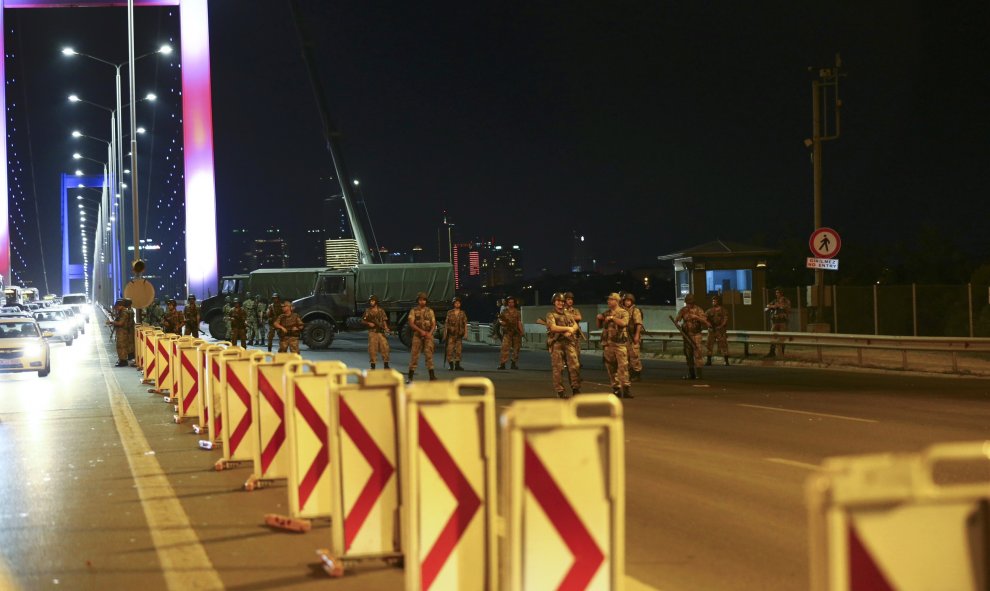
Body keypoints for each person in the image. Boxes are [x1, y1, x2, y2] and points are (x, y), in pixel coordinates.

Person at [547, 292, 581, 398]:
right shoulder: (551, 314)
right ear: (554, 302)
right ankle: (560, 391)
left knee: (574, 366)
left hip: (569, 343)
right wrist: (566, 329)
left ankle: (576, 389)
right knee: (558, 368)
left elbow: (575, 325)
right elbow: (553, 327)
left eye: (562, 301)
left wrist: (571, 331)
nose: (560, 303)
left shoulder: (567, 313)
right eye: (558, 301)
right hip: (557, 343)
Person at [598, 293, 632, 398]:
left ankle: (625, 388)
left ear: (616, 301)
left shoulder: (623, 312)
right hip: (608, 344)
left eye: (610, 300)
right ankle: (615, 388)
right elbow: (599, 326)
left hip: (619, 344)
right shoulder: (606, 313)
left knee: (623, 366)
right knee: (610, 367)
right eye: (608, 300)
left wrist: (613, 318)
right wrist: (599, 318)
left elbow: (624, 323)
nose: (608, 301)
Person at [674, 293, 710, 380]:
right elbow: (677, 319)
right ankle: (691, 374)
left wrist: (696, 317)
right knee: (688, 355)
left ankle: (699, 374)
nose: (688, 305)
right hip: (687, 336)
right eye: (687, 303)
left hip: (696, 335)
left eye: (690, 303)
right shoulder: (683, 310)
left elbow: (706, 322)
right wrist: (677, 322)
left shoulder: (698, 310)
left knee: (697, 354)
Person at [407, 292, 437, 382]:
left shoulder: (430, 311)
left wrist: (430, 333)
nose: (422, 301)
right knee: (414, 356)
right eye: (420, 300)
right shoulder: (413, 311)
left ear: (426, 301)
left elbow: (433, 323)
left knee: (429, 355)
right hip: (417, 336)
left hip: (428, 335)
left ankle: (432, 377)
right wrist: (421, 331)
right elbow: (411, 323)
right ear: (418, 301)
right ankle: (410, 377)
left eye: (424, 300)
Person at [362, 295, 391, 369]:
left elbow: (384, 320)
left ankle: (386, 365)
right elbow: (363, 320)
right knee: (372, 349)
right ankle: (373, 366)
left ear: (376, 302)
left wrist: (386, 328)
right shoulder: (368, 311)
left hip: (381, 332)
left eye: (373, 301)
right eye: (370, 301)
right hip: (372, 332)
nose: (371, 302)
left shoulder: (381, 310)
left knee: (385, 348)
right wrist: (369, 323)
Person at [622, 292, 644, 381]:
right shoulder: (622, 310)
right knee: (626, 356)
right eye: (626, 300)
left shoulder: (635, 310)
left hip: (632, 335)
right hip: (624, 337)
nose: (627, 302)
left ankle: (637, 374)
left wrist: (637, 335)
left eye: (629, 301)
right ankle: (630, 374)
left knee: (634, 355)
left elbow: (638, 324)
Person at [497, 296, 523, 370]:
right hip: (507, 332)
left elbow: (519, 322)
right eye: (509, 302)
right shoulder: (504, 311)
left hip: (515, 332)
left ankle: (513, 363)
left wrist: (521, 331)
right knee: (505, 348)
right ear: (507, 303)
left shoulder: (517, 312)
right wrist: (503, 323)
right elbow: (500, 319)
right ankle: (502, 364)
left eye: (512, 302)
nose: (511, 304)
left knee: (516, 348)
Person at [765, 288, 792, 357]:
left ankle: (781, 352)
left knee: (782, 337)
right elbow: (768, 305)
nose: (776, 294)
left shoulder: (785, 300)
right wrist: (774, 306)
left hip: (782, 321)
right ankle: (772, 352)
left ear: (781, 293)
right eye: (776, 293)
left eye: (778, 293)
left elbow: (788, 308)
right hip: (775, 321)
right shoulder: (775, 301)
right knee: (773, 336)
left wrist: (780, 306)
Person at [705, 295, 730, 366]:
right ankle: (709, 361)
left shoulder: (723, 310)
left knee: (724, 345)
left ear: (718, 302)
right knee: (709, 345)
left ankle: (726, 361)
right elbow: (704, 318)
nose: (713, 302)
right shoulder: (709, 311)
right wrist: (708, 324)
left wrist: (720, 326)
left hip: (720, 330)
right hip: (712, 330)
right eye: (713, 301)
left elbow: (725, 319)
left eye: (715, 301)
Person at [444, 296, 467, 371]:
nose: (457, 304)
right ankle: (451, 365)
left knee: (458, 350)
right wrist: (445, 334)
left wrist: (466, 333)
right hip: (451, 335)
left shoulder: (462, 313)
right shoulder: (449, 312)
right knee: (449, 350)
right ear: (453, 304)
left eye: (458, 303)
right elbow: (446, 324)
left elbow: (465, 324)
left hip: (459, 335)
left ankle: (457, 365)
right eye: (456, 303)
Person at [106, 299, 131, 367]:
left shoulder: (124, 313)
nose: (117, 309)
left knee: (122, 346)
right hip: (120, 332)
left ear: (121, 306)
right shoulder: (121, 312)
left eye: (117, 307)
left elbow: (120, 323)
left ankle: (123, 361)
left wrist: (111, 322)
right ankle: (121, 359)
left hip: (123, 332)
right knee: (119, 346)